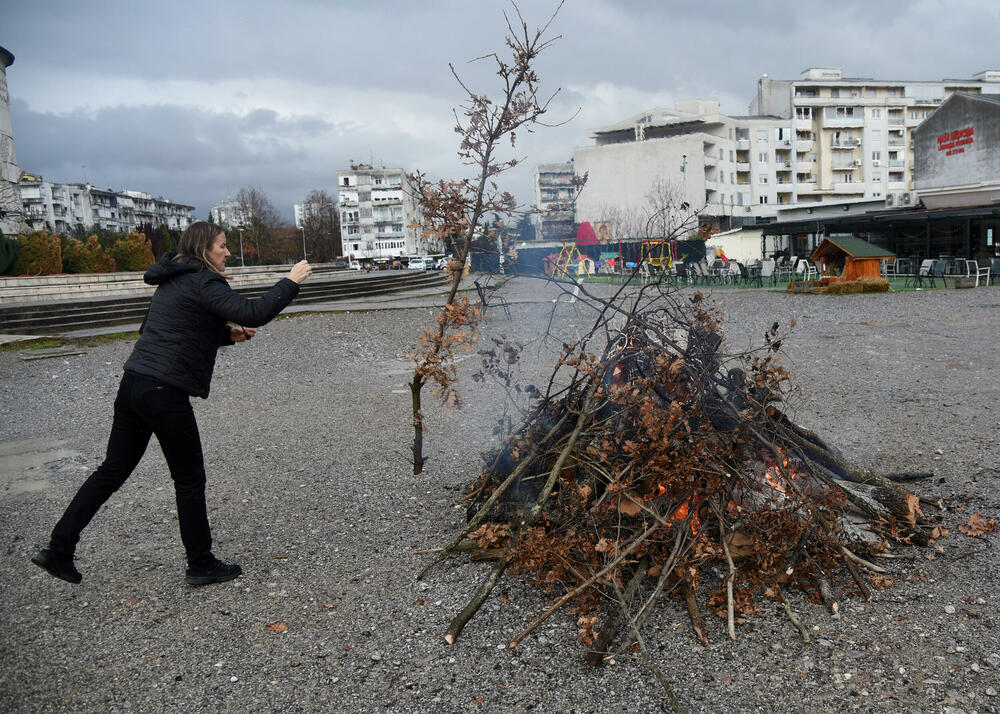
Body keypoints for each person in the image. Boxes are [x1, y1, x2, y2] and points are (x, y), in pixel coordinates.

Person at [31, 221, 312, 586]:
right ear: (204, 249)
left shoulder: (173, 279)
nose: (228, 252)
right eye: (222, 246)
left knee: (111, 471)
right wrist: (290, 281)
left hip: (134, 383)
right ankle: (201, 563)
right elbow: (254, 311)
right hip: (163, 392)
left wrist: (227, 335)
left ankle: (58, 549)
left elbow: (164, 328)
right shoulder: (205, 281)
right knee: (189, 479)